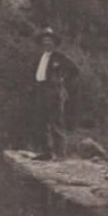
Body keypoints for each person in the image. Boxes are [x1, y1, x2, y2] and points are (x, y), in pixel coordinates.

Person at [29, 26, 79, 160]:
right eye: (44, 40)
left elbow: (74, 70)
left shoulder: (59, 57)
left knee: (56, 122)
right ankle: (46, 152)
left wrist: (62, 81)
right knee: (40, 122)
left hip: (54, 90)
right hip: (41, 89)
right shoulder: (41, 57)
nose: (46, 43)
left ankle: (60, 154)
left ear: (54, 42)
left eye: (49, 40)